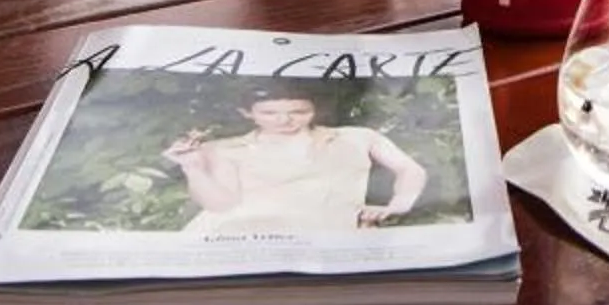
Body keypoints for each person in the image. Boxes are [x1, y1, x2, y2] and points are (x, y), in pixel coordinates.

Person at [165, 88, 428, 237]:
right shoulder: (226, 148)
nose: (284, 121)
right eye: (269, 113)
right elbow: (220, 205)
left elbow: (410, 169)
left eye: (298, 112)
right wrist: (193, 167)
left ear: (316, 109)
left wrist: (398, 205)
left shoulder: (357, 137)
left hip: (331, 238)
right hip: (238, 237)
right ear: (247, 113)